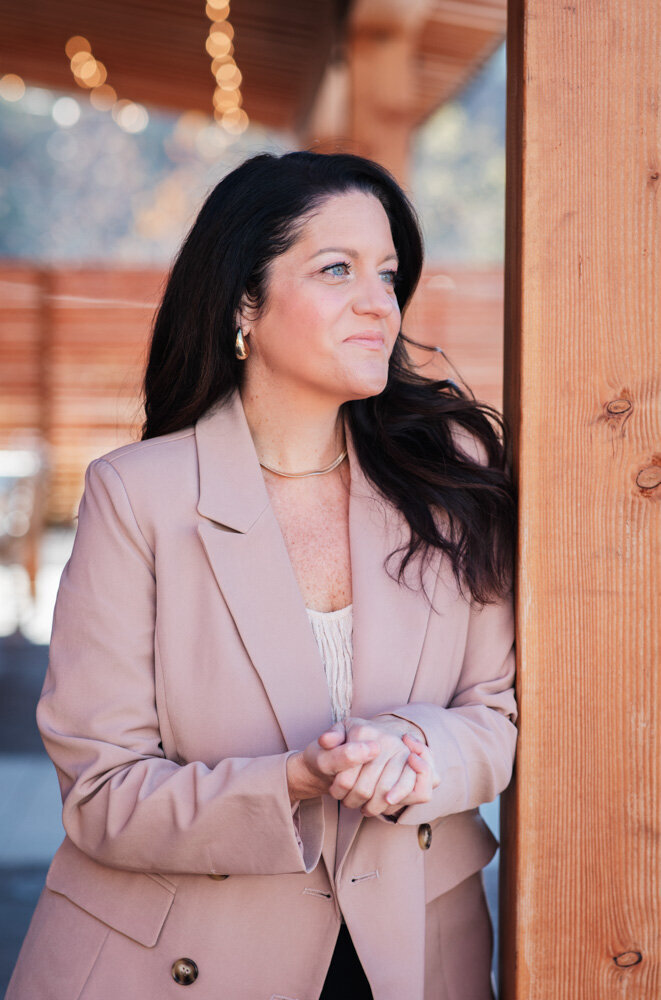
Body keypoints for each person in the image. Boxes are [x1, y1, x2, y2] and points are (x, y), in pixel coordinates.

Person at [6, 150, 518, 1000]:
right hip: (182, 962)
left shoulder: (449, 479)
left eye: (387, 275)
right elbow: (102, 792)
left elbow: (495, 717)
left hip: (414, 954)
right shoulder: (137, 496)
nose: (376, 302)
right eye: (335, 269)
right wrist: (293, 780)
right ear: (245, 299)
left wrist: (416, 748)